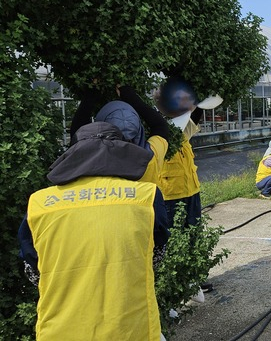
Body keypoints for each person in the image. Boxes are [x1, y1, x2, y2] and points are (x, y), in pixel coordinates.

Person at [18, 122, 169, 341]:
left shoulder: (39, 204)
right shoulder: (146, 197)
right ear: (121, 154)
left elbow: (33, 271)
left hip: (60, 332)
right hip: (131, 330)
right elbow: (156, 255)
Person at [71, 85, 171, 187]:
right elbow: (160, 126)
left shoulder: (92, 158)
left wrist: (91, 95)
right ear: (138, 128)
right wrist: (131, 96)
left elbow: (78, 133)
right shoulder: (151, 157)